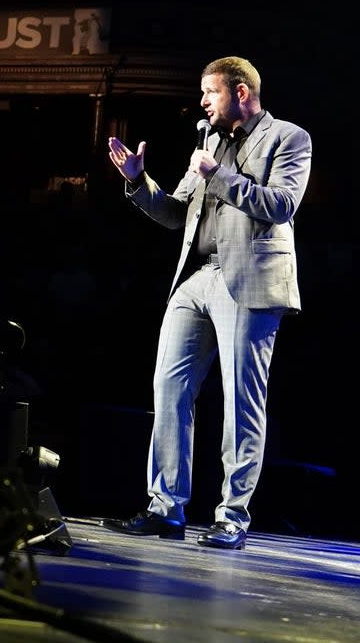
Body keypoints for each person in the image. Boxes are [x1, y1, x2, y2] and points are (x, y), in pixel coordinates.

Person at [102, 55, 312, 550]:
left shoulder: (289, 138)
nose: (201, 103)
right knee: (168, 389)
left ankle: (232, 518)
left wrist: (217, 175)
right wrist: (138, 181)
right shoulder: (210, 143)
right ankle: (165, 508)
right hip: (195, 278)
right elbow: (176, 214)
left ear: (241, 92)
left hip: (251, 279)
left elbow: (281, 204)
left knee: (242, 401)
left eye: (209, 93)